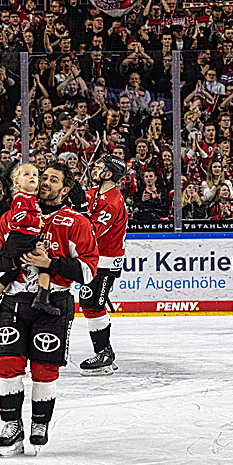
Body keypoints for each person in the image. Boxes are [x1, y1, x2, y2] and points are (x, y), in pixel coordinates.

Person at [0, 161, 98, 455]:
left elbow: (88, 270)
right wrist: (15, 260)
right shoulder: (12, 217)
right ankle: (11, 424)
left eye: (52, 179)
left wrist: (51, 264)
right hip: (15, 299)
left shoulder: (76, 222)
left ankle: (39, 423)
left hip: (54, 302)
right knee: (8, 365)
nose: (45, 182)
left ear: (66, 188)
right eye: (42, 177)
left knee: (44, 368)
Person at [0, 163, 54, 319]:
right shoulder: (22, 197)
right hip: (20, 239)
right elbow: (17, 218)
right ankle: (42, 298)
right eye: (27, 175)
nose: (32, 177)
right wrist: (36, 222)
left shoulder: (31, 199)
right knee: (44, 262)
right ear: (16, 182)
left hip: (23, 238)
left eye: (35, 175)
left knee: (13, 271)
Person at [78, 156, 128, 375]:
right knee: (89, 303)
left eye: (99, 167)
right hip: (95, 260)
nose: (94, 169)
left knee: (92, 304)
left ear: (109, 174)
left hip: (106, 262)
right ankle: (105, 351)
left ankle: (104, 355)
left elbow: (92, 231)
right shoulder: (94, 194)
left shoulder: (112, 200)